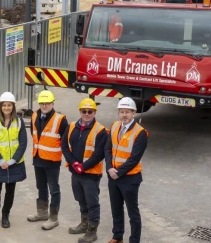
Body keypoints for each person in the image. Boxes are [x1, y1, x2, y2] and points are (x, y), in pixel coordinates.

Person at [62, 98, 109, 243]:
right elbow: (64, 146)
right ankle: (84, 223)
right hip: (75, 172)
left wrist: (84, 166)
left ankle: (92, 231)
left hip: (91, 174)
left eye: (90, 111)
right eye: (84, 111)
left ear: (95, 112)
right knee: (80, 199)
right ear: (80, 112)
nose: (87, 114)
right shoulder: (71, 126)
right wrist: (73, 163)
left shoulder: (101, 131)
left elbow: (99, 154)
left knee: (92, 202)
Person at [104, 98, 149, 243]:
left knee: (132, 213)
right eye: (122, 112)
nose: (124, 115)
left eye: (127, 112)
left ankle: (134, 240)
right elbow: (108, 148)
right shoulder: (114, 126)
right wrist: (109, 168)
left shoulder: (141, 132)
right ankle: (117, 237)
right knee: (116, 209)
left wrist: (118, 172)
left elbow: (135, 158)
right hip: (113, 176)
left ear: (134, 113)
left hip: (129, 178)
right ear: (118, 113)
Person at [27, 90, 69, 231]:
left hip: (52, 161)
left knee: (54, 189)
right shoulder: (34, 116)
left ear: (53, 103)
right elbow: (34, 135)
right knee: (41, 186)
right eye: (42, 103)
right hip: (38, 158)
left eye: (47, 103)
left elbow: (66, 141)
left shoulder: (60, 119)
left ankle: (53, 218)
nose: (44, 106)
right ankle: (42, 213)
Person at [0, 92, 27, 229]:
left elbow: (23, 142)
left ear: (13, 107)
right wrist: (0, 160)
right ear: (0, 106)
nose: (7, 108)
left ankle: (5, 215)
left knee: (10, 190)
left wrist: (13, 160)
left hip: (14, 163)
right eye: (4, 105)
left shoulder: (19, 121)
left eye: (9, 105)